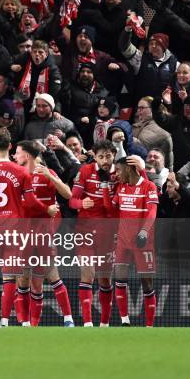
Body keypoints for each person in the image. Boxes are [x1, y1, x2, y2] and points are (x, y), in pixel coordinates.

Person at [0, 129, 55, 327]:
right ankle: (4, 320)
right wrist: (47, 208)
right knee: (9, 274)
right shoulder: (21, 171)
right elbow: (31, 202)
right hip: (13, 228)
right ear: (10, 146)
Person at [13, 140, 74, 327]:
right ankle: (26, 324)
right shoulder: (17, 177)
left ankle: (68, 319)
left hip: (44, 233)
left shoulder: (46, 174)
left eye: (18, 153)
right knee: (24, 280)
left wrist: (51, 175)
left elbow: (68, 195)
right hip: (22, 234)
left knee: (52, 276)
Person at [103, 157, 159, 327]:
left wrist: (143, 232)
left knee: (147, 284)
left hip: (143, 242)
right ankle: (125, 321)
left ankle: (149, 326)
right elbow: (110, 208)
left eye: (119, 170)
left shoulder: (149, 186)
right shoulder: (121, 188)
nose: (117, 174)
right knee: (119, 280)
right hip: (122, 242)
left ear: (129, 169)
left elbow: (152, 212)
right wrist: (106, 189)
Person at [68, 140, 117, 327]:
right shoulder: (86, 171)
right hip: (85, 231)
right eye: (101, 156)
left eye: (108, 156)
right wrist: (81, 204)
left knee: (105, 279)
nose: (105, 160)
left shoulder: (120, 173)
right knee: (87, 274)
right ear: (95, 157)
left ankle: (104, 324)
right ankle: (87, 323)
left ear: (114, 154)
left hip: (109, 233)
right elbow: (72, 200)